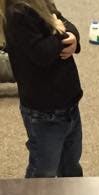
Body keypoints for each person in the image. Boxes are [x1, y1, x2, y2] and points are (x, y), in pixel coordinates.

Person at [1, 0, 82, 178]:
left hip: (69, 103)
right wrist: (61, 33)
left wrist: (72, 36)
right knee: (43, 170)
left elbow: (63, 21)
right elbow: (42, 53)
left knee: (71, 163)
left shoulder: (41, 2)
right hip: (44, 112)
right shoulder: (17, 13)